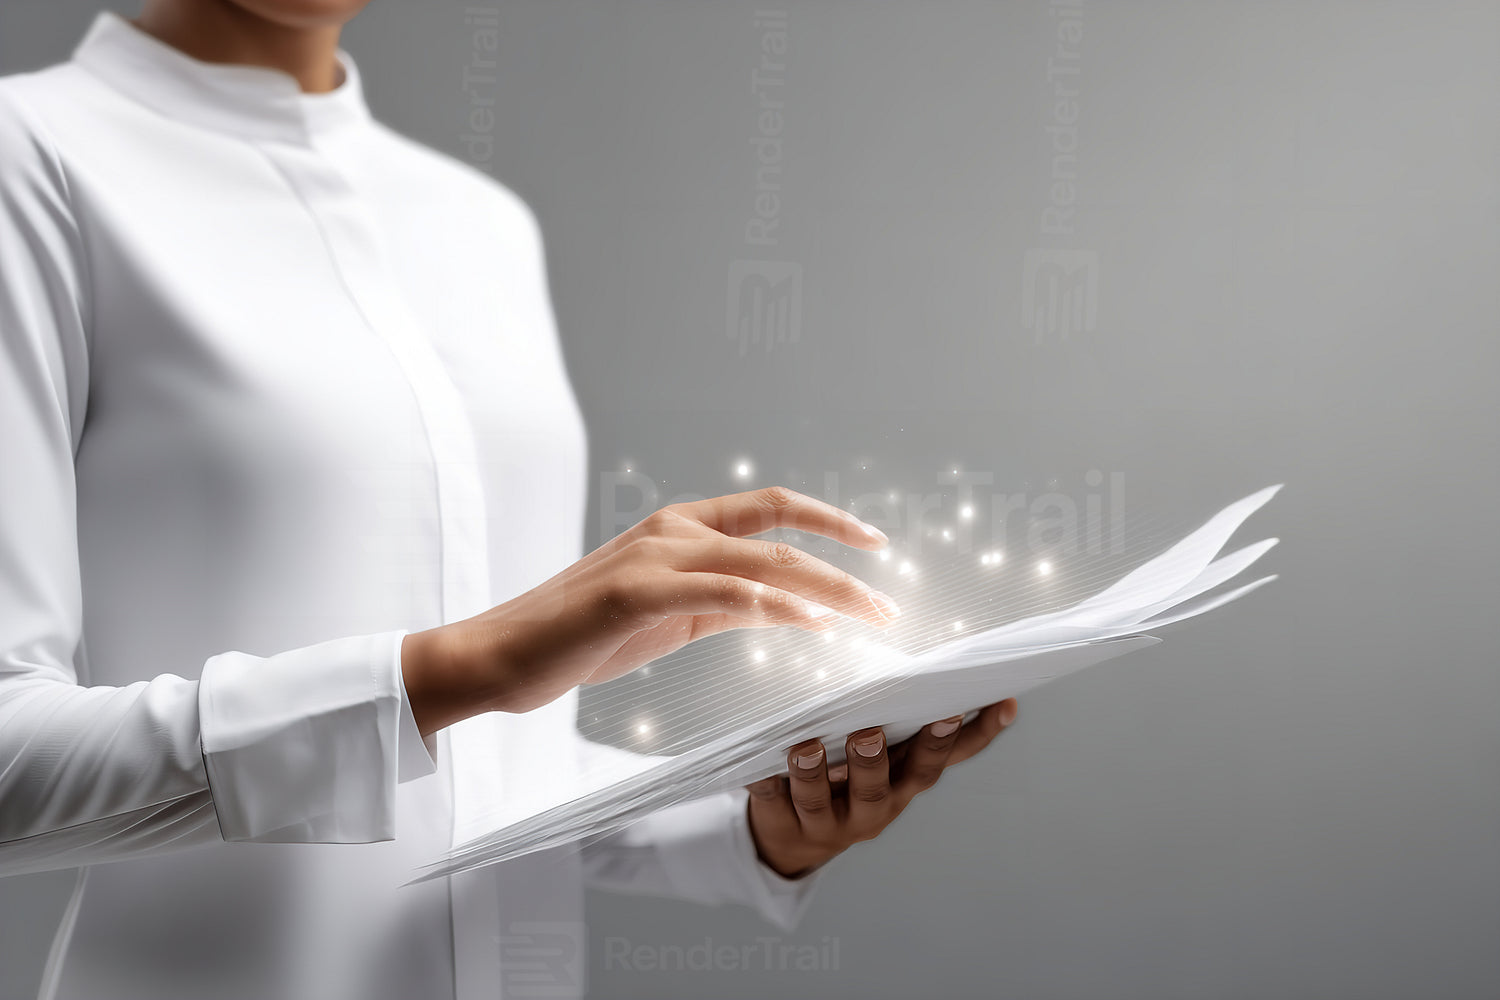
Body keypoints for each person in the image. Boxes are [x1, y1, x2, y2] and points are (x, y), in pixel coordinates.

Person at [0, 3, 1018, 998]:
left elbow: (490, 768)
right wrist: (468, 661)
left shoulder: (482, 226)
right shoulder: (31, 155)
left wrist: (754, 832)